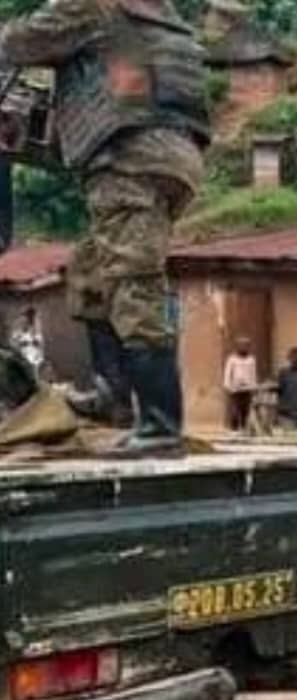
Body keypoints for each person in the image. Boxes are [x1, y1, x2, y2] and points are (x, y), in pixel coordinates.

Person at [0, 0, 211, 454]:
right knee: (91, 273)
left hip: (131, 158)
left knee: (133, 283)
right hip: (173, 155)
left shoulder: (92, 5)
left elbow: (21, 42)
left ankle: (160, 425)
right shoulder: (155, 15)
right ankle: (113, 395)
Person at [223, 337, 257, 432]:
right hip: (235, 388)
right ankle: (234, 429)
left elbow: (253, 374)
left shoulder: (251, 359)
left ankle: (244, 428)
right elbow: (228, 373)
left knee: (245, 409)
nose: (243, 347)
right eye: (241, 345)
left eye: (246, 346)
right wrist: (227, 385)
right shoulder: (232, 359)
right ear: (237, 347)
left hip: (247, 388)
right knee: (235, 409)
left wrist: (253, 386)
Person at [276, 346, 297, 428]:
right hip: (287, 415)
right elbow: (279, 390)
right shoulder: (283, 373)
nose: (295, 362)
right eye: (294, 360)